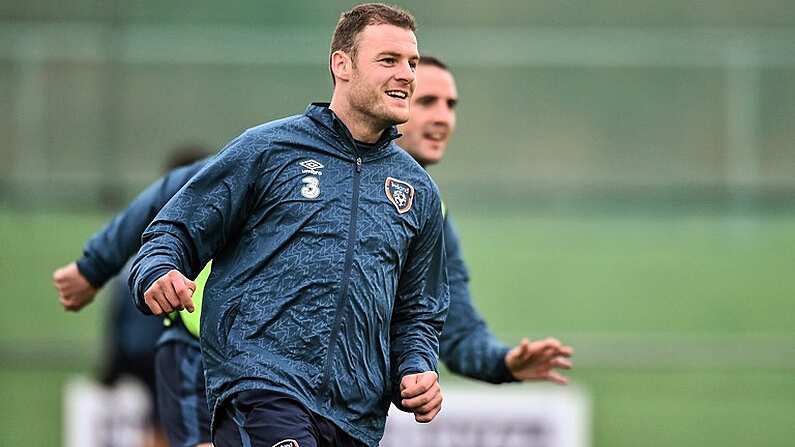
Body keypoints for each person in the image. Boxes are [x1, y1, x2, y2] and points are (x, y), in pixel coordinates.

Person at [128, 4, 448, 447]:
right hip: (262, 388)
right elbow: (174, 230)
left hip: (356, 417)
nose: (407, 75)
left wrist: (416, 368)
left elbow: (418, 312)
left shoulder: (418, 191)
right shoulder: (268, 149)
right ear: (342, 65)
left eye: (411, 62)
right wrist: (157, 270)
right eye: (389, 60)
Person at [396, 56, 574, 384]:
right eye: (426, 102)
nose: (443, 118)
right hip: (281, 402)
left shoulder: (433, 213)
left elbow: (456, 329)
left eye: (450, 105)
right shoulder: (318, 175)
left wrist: (504, 362)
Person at [53, 145, 210, 447]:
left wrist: (112, 366)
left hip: (154, 352)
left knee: (161, 424)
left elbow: (119, 311)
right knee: (166, 424)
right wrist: (93, 266)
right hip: (177, 349)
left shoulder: (149, 247)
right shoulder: (176, 240)